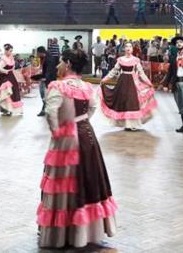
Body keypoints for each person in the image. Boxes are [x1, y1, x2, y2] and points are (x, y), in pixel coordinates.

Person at [37, 49, 117, 248]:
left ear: (69, 64)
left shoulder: (58, 86)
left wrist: (58, 133)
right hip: (87, 136)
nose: (57, 66)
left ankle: (64, 232)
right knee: (89, 179)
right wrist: (81, 122)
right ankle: (86, 232)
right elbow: (92, 108)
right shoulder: (87, 87)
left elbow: (50, 112)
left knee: (64, 183)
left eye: (61, 62)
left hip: (66, 141)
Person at [99, 42, 157, 131]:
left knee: (132, 102)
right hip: (122, 82)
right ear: (124, 49)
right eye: (126, 46)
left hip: (132, 82)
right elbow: (113, 71)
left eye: (130, 46)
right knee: (123, 101)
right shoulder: (120, 59)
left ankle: (132, 124)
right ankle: (126, 123)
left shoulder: (136, 60)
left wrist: (148, 83)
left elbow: (141, 73)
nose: (128, 48)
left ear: (132, 49)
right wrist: (104, 79)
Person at [0, 43, 24, 116]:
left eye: (11, 51)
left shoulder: (11, 57)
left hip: (11, 76)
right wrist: (5, 71)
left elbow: (13, 67)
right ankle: (7, 109)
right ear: (6, 50)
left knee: (15, 90)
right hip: (4, 78)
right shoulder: (3, 58)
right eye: (9, 51)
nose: (11, 52)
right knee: (7, 92)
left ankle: (13, 109)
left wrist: (10, 70)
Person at [32, 46, 58, 117]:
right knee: (43, 95)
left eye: (37, 53)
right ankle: (45, 109)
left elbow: (50, 70)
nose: (37, 55)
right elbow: (44, 68)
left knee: (47, 95)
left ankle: (47, 110)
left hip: (49, 79)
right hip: (45, 78)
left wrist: (45, 78)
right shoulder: (43, 57)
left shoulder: (49, 58)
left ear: (40, 52)